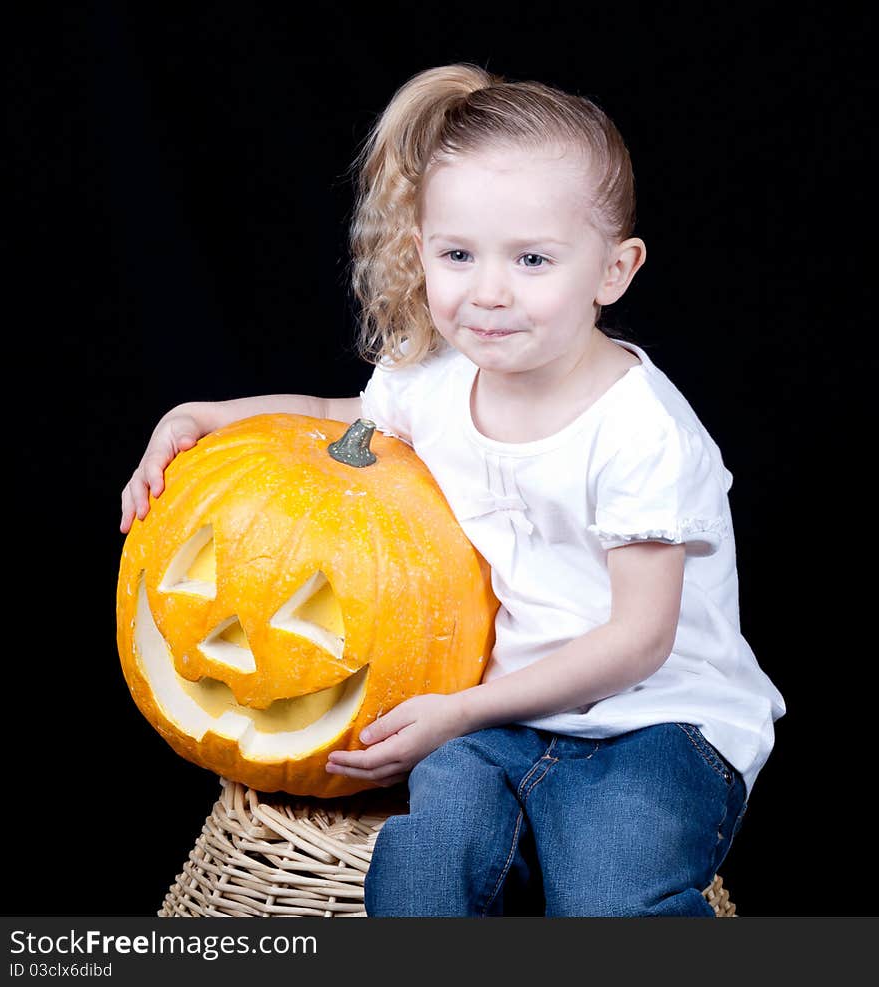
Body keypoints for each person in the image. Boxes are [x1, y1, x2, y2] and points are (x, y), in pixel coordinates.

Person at [120, 63, 786, 917]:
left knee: (607, 896)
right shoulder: (433, 381)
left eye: (533, 258)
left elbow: (637, 641)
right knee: (422, 868)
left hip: (655, 725)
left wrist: (459, 709)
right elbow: (339, 417)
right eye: (458, 254)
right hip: (500, 724)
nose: (488, 292)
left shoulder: (641, 433)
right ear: (422, 249)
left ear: (613, 270)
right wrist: (208, 414)